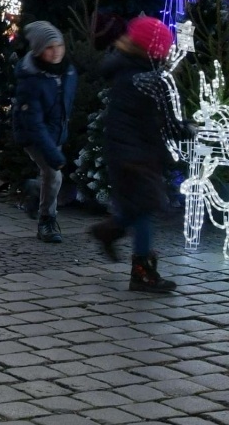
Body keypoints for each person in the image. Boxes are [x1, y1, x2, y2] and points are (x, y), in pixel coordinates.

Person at [90, 17, 182, 292]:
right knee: (145, 208)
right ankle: (142, 273)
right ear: (155, 50)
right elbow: (170, 122)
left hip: (123, 151)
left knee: (140, 207)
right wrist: (190, 130)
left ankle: (109, 230)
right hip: (138, 155)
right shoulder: (150, 79)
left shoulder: (124, 69)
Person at [14, 20, 77, 244]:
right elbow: (34, 123)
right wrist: (53, 153)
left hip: (56, 132)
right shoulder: (31, 80)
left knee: (50, 176)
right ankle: (47, 221)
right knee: (53, 173)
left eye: (58, 45)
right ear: (39, 51)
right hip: (33, 135)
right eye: (49, 47)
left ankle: (33, 193)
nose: (56, 51)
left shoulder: (68, 71)